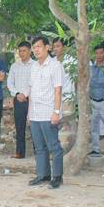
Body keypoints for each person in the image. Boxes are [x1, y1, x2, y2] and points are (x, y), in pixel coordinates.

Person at [27, 35, 65, 189]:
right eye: (34, 47)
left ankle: (57, 177)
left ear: (47, 47)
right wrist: (29, 114)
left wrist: (56, 112)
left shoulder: (55, 66)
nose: (36, 50)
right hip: (35, 113)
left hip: (49, 112)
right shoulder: (34, 66)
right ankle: (43, 175)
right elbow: (31, 90)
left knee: (53, 146)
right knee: (39, 147)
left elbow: (58, 91)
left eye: (39, 46)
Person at [7, 41, 33, 158]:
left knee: (34, 126)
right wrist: (17, 94)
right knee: (19, 126)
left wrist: (25, 94)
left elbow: (34, 83)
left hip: (32, 99)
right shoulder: (14, 66)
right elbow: (9, 83)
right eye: (20, 51)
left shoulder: (36, 65)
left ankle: (39, 152)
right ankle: (20, 152)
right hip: (18, 100)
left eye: (24, 51)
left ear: (30, 51)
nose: (22, 53)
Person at [52, 37, 76, 114]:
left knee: (68, 123)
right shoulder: (51, 62)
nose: (55, 49)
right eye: (54, 47)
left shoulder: (72, 61)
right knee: (55, 124)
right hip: (53, 99)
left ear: (64, 47)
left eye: (58, 46)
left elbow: (76, 81)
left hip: (67, 98)